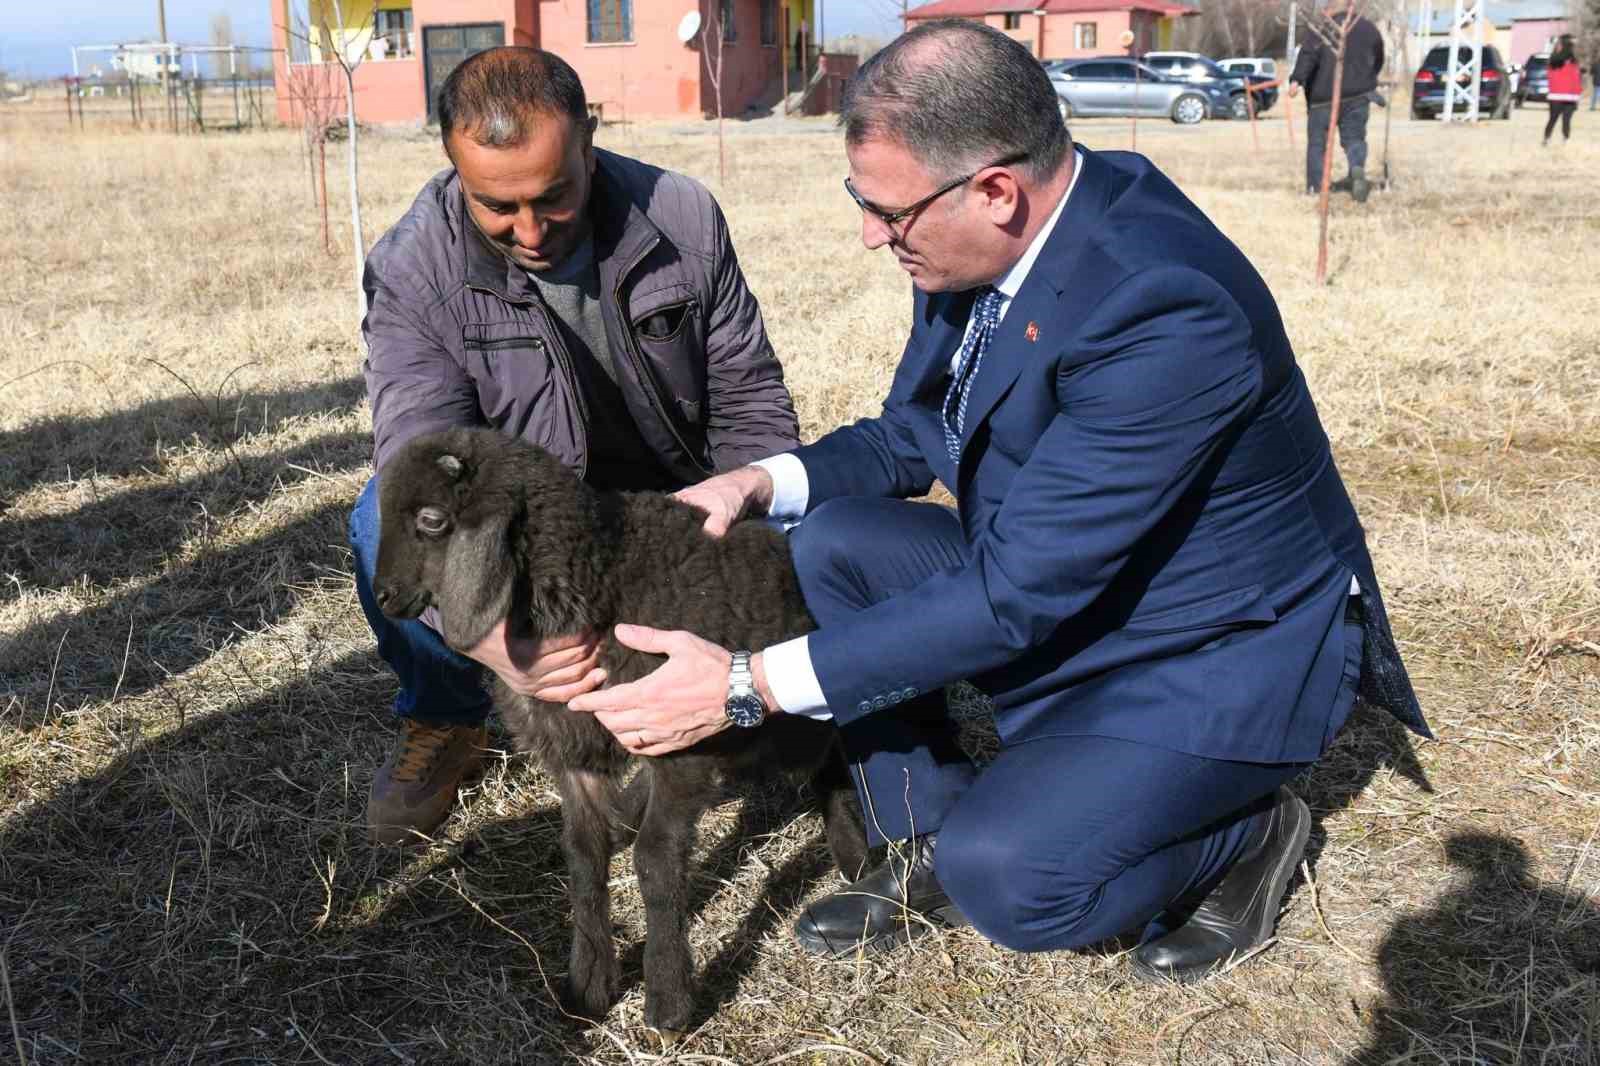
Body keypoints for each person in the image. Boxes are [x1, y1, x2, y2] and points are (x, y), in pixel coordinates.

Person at [565, 19, 1431, 984]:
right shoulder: (976, 245)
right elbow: (917, 428)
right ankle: (918, 833)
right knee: (838, 539)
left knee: (1016, 882)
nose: (869, 233)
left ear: (995, 189)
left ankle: (1246, 833)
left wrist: (744, 684)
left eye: (884, 211)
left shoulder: (1163, 306)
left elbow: (1016, 594)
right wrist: (763, 480)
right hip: (1074, 581)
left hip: (1209, 644)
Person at [351, 47, 800, 846]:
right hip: (535, 512)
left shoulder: (682, 219)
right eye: (497, 205)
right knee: (372, 520)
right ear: (455, 168)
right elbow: (421, 448)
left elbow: (749, 397)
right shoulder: (414, 265)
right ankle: (449, 715)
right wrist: (481, 632)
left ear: (588, 140)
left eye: (553, 196)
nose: (529, 230)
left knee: (812, 519)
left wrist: (754, 506)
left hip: (675, 490)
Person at [1288, 0, 1385, 202]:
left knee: (1317, 144)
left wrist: (1297, 79)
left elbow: (1308, 56)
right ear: (1352, 6)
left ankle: (1316, 186)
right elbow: (1379, 57)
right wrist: (1369, 78)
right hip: (1359, 94)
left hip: (1323, 97)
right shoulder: (1368, 28)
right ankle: (1356, 168)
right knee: (1354, 139)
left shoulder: (1321, 29)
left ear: (1329, 7)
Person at [1544, 35, 1581, 144]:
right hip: (1564, 94)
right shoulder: (1558, 60)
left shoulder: (1565, 60)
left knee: (1556, 119)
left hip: (1565, 95)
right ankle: (1557, 139)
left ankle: (1553, 138)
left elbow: (1575, 78)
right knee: (1560, 119)